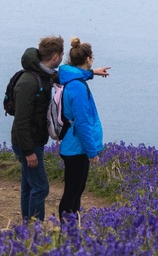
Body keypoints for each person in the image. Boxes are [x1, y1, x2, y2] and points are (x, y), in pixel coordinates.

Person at [10, 35, 65, 224]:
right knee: (41, 187)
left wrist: (92, 72)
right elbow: (21, 121)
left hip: (34, 141)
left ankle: (27, 228)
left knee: (29, 186)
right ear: (56, 57)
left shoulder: (45, 74)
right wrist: (28, 151)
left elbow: (65, 75)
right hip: (28, 143)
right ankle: (35, 231)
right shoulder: (29, 81)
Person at [57, 36, 110, 218]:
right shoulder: (78, 88)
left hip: (74, 146)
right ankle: (67, 232)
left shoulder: (72, 79)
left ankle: (72, 229)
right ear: (88, 58)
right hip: (76, 148)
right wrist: (92, 152)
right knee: (72, 192)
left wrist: (93, 72)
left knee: (77, 190)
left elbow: (79, 74)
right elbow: (82, 123)